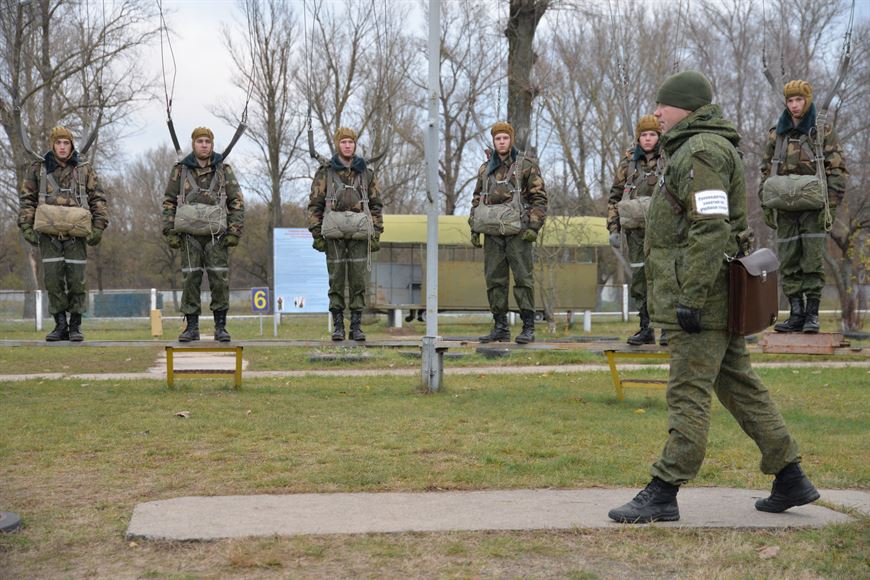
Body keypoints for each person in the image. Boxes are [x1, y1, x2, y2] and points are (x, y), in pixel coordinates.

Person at [608, 71, 819, 524]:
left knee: (687, 391)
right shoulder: (693, 148)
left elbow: (710, 227)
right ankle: (790, 476)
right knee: (740, 386)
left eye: (663, 105)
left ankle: (664, 489)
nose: (657, 113)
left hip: (702, 299)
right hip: (713, 293)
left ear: (686, 107)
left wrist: (692, 295)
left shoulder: (701, 151)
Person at [759, 80, 848, 334]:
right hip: (785, 208)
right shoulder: (778, 134)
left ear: (807, 100)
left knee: (812, 260)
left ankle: (812, 314)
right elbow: (766, 169)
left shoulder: (821, 131)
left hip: (813, 208)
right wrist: (765, 203)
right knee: (788, 260)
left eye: (799, 100)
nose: (794, 105)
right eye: (790, 100)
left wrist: (830, 206)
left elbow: (837, 169)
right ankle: (796, 313)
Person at [18, 126, 108, 342]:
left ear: (71, 145)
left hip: (76, 236)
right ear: (52, 144)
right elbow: (27, 200)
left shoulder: (84, 169)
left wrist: (98, 227)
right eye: (58, 142)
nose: (62, 147)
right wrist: (26, 227)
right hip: (49, 236)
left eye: (66, 143)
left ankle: (75, 325)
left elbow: (98, 199)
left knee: (77, 281)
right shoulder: (38, 169)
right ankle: (60, 325)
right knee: (53, 281)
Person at [162, 127, 245, 342]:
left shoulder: (223, 169)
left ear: (212, 144)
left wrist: (234, 232)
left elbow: (236, 201)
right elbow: (169, 201)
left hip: (217, 236)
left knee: (219, 279)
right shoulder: (180, 170)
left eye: (208, 141)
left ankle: (220, 327)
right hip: (189, 236)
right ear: (193, 144)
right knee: (190, 279)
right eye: (200, 141)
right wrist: (169, 231)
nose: (204, 145)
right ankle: (191, 327)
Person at [470, 121, 548, 344]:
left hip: (518, 232)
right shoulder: (485, 169)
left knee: (523, 279)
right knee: (494, 279)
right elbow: (477, 198)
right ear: (494, 141)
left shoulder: (525, 165)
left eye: (505, 138)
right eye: (498, 139)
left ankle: (528, 327)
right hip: (492, 232)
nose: (502, 142)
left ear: (511, 140)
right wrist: (473, 226)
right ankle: (500, 327)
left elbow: (539, 198)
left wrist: (533, 227)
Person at [308, 127, 384, 342]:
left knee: (359, 280)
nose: (347, 145)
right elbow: (315, 204)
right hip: (334, 236)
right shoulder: (326, 172)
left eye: (351, 142)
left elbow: (376, 205)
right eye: (344, 142)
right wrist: (317, 234)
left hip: (360, 235)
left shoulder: (366, 174)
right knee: (336, 280)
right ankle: (339, 326)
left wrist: (376, 233)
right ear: (338, 144)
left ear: (355, 144)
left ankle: (356, 326)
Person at [607, 115, 664, 346]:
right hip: (636, 234)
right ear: (638, 138)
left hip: (664, 233)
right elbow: (614, 198)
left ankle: (668, 328)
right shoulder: (628, 164)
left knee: (664, 278)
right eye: (644, 135)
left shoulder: (669, 160)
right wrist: (614, 228)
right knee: (640, 280)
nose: (648, 139)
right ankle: (646, 327)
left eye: (652, 134)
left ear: (659, 136)